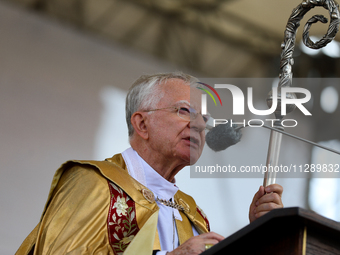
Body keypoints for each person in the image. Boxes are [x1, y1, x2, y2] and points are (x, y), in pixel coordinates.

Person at [16, 72, 283, 255]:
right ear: (142, 124)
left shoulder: (191, 213)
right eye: (184, 111)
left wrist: (259, 231)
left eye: (204, 118)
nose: (201, 125)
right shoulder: (94, 181)